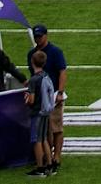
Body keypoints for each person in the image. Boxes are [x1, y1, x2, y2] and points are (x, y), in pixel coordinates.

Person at [29, 24, 66, 167]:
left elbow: (62, 71)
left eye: (40, 36)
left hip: (53, 95)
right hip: (40, 99)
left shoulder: (55, 52)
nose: (38, 39)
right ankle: (48, 157)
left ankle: (56, 156)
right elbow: (33, 75)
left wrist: (60, 92)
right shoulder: (32, 54)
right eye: (36, 36)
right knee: (45, 132)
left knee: (55, 128)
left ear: (46, 35)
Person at [23, 54, 58, 177]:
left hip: (37, 112)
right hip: (45, 112)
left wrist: (27, 97)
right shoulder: (45, 75)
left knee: (36, 141)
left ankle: (40, 168)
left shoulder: (34, 79)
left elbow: (31, 100)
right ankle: (49, 165)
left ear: (32, 62)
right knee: (43, 139)